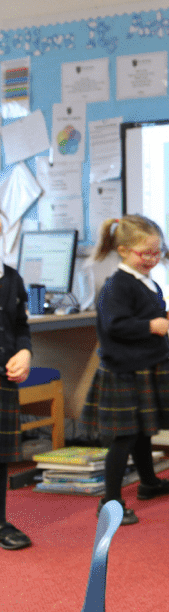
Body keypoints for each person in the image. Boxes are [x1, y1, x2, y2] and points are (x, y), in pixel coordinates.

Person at [81, 215, 169, 525]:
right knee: (124, 437)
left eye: (157, 252)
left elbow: (145, 317)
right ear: (122, 250)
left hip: (145, 367)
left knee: (144, 431)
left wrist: (166, 316)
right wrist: (152, 325)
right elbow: (115, 325)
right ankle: (111, 500)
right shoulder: (117, 285)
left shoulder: (146, 282)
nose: (153, 259)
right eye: (145, 253)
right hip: (124, 372)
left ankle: (149, 482)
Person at [0, 226, 32, 550]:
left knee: (0, 457)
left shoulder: (12, 278)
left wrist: (25, 351)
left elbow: (20, 325)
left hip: (3, 380)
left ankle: (0, 522)